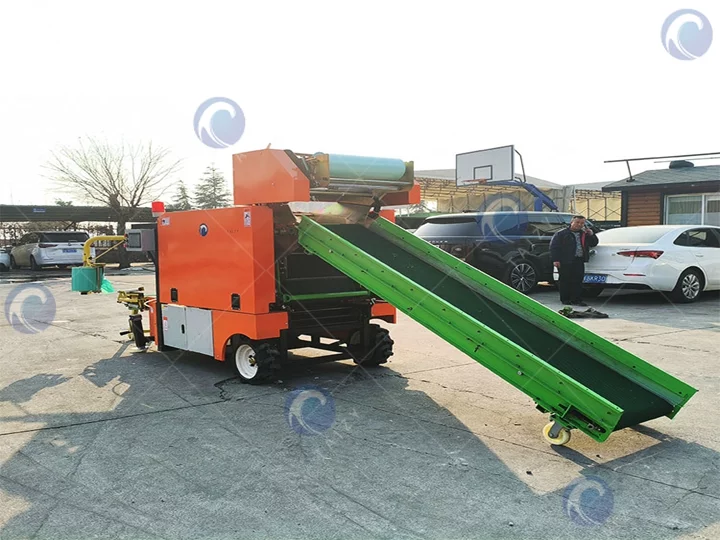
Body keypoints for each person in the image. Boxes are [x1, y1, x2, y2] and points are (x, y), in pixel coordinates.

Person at [550, 215, 599, 306]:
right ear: (571, 222)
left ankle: (576, 299)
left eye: (582, 223)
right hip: (565, 260)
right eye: (577, 222)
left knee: (578, 281)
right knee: (565, 280)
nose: (579, 225)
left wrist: (591, 234)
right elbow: (554, 247)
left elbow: (594, 243)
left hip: (579, 260)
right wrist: (556, 259)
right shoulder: (562, 234)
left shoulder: (584, 234)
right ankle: (565, 299)